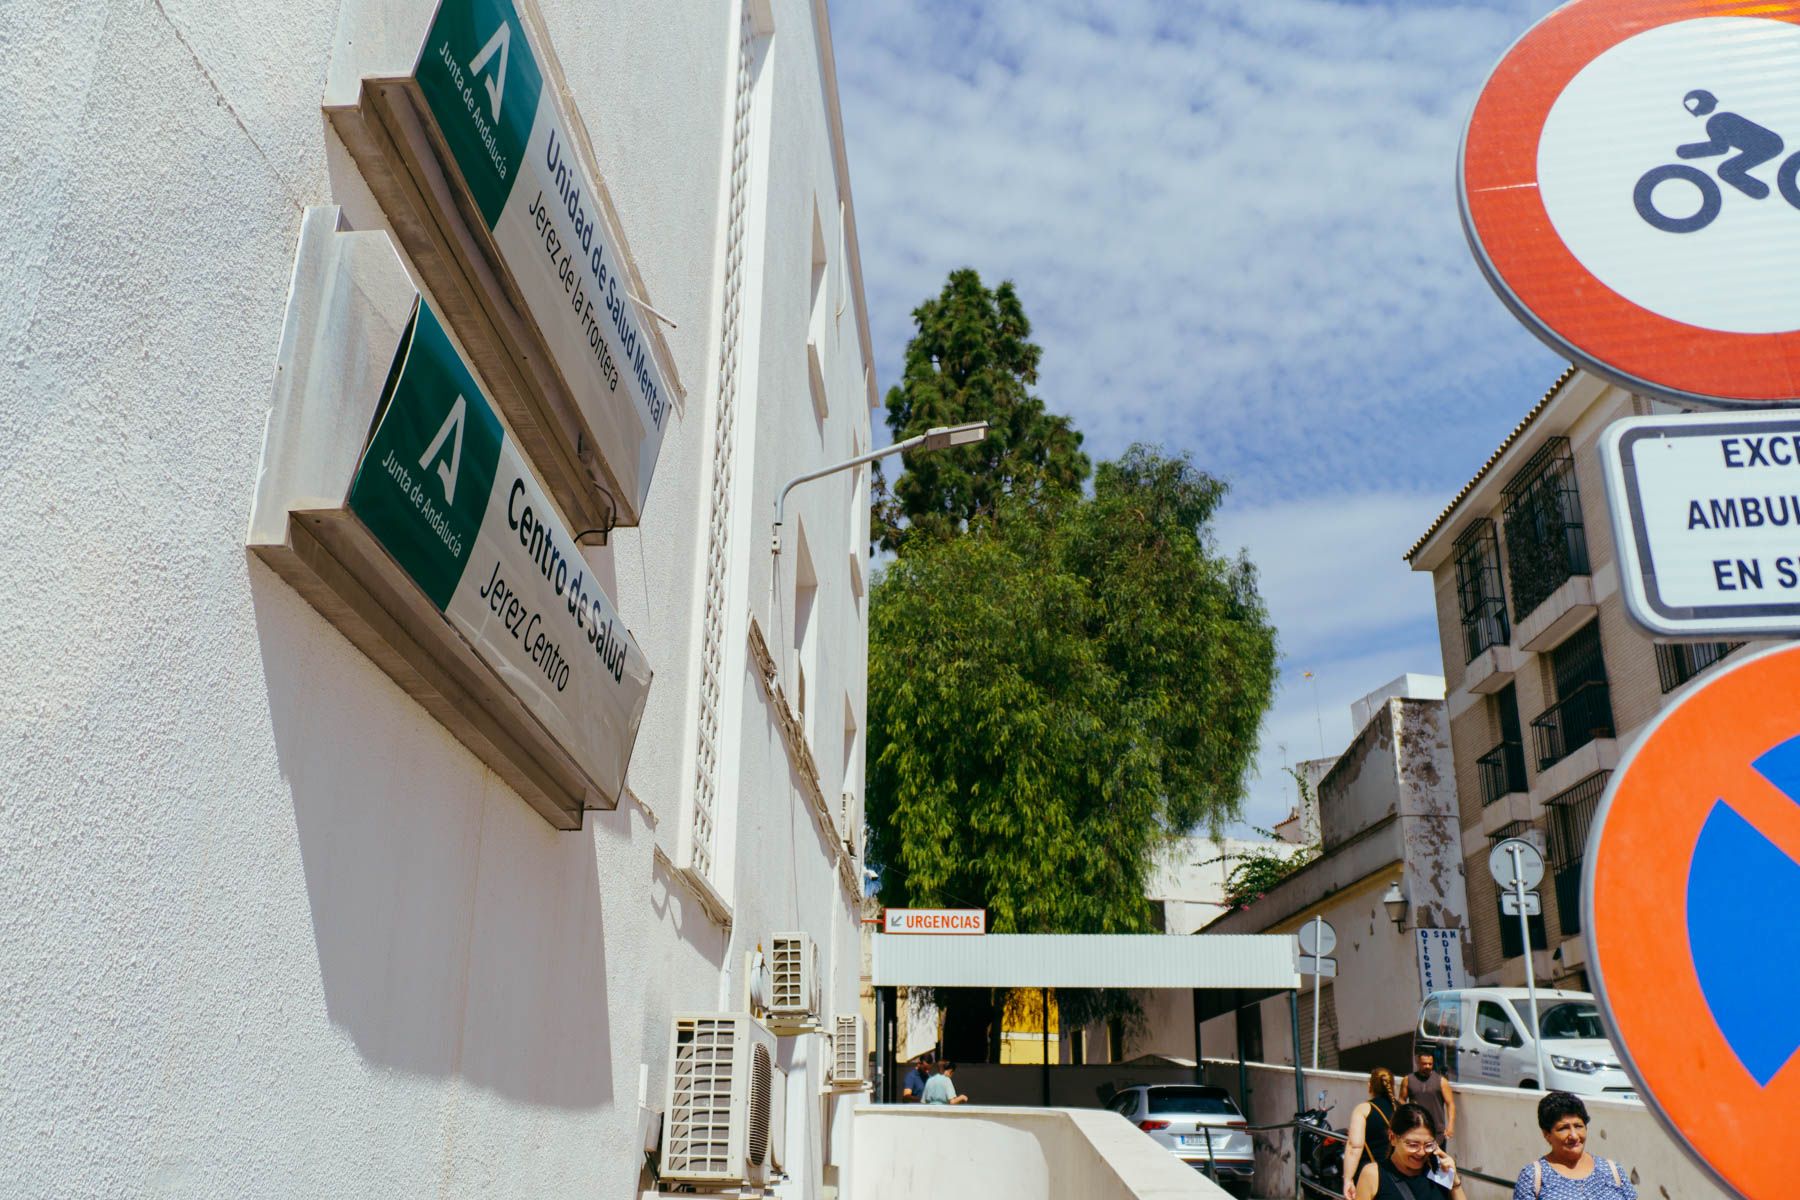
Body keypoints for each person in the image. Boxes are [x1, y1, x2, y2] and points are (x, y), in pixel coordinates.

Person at [1512, 1092, 1636, 1199]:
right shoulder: (1532, 1177)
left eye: (1578, 1126)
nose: (1574, 1136)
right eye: (1563, 1128)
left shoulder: (1612, 1171)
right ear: (1547, 1134)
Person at [1677, 89, 1785, 199]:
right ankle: (1760, 191)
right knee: (1726, 170)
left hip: (1770, 145)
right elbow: (1721, 148)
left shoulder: (1718, 121)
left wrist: (1685, 152)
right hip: (1771, 145)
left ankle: (1760, 191)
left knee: (1726, 170)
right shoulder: (1719, 120)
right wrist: (1685, 152)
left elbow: (1720, 148)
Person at [1352, 1102, 1467, 1200]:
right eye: (1413, 1145)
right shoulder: (1373, 1175)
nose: (1421, 1152)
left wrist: (1455, 1182)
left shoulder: (1439, 1171)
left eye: (1428, 1145)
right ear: (1393, 1138)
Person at [1342, 1067, 1399, 1200]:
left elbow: (1354, 1146)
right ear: (1392, 1085)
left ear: (1370, 1086)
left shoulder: (1363, 1109)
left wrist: (1348, 1180)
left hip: (1371, 1175)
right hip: (1399, 1175)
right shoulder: (1402, 1109)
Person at [1398, 1049, 1455, 1148]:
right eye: (1424, 1064)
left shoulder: (1441, 1081)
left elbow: (1450, 1104)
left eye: (1430, 1064)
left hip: (1436, 1131)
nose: (1428, 1066)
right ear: (1418, 1063)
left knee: (1436, 1161)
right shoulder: (1408, 1080)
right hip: (1415, 1129)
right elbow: (1401, 1100)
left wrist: (1450, 1125)